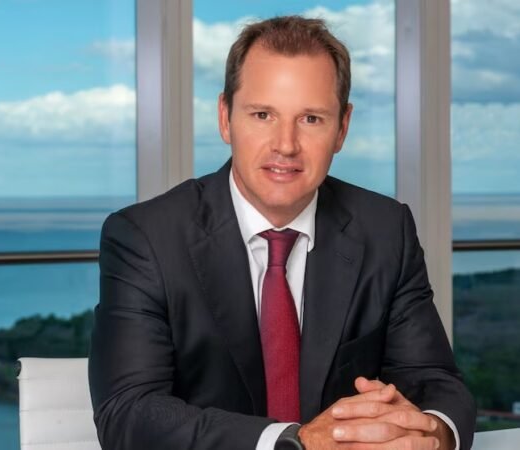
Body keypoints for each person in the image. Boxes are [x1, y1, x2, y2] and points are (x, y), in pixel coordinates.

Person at [89, 15, 476, 450]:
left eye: (311, 118)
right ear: (225, 117)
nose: (286, 145)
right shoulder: (145, 238)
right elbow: (128, 412)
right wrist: (293, 442)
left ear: (342, 128)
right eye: (262, 115)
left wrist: (432, 435)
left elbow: (436, 381)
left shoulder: (385, 229)